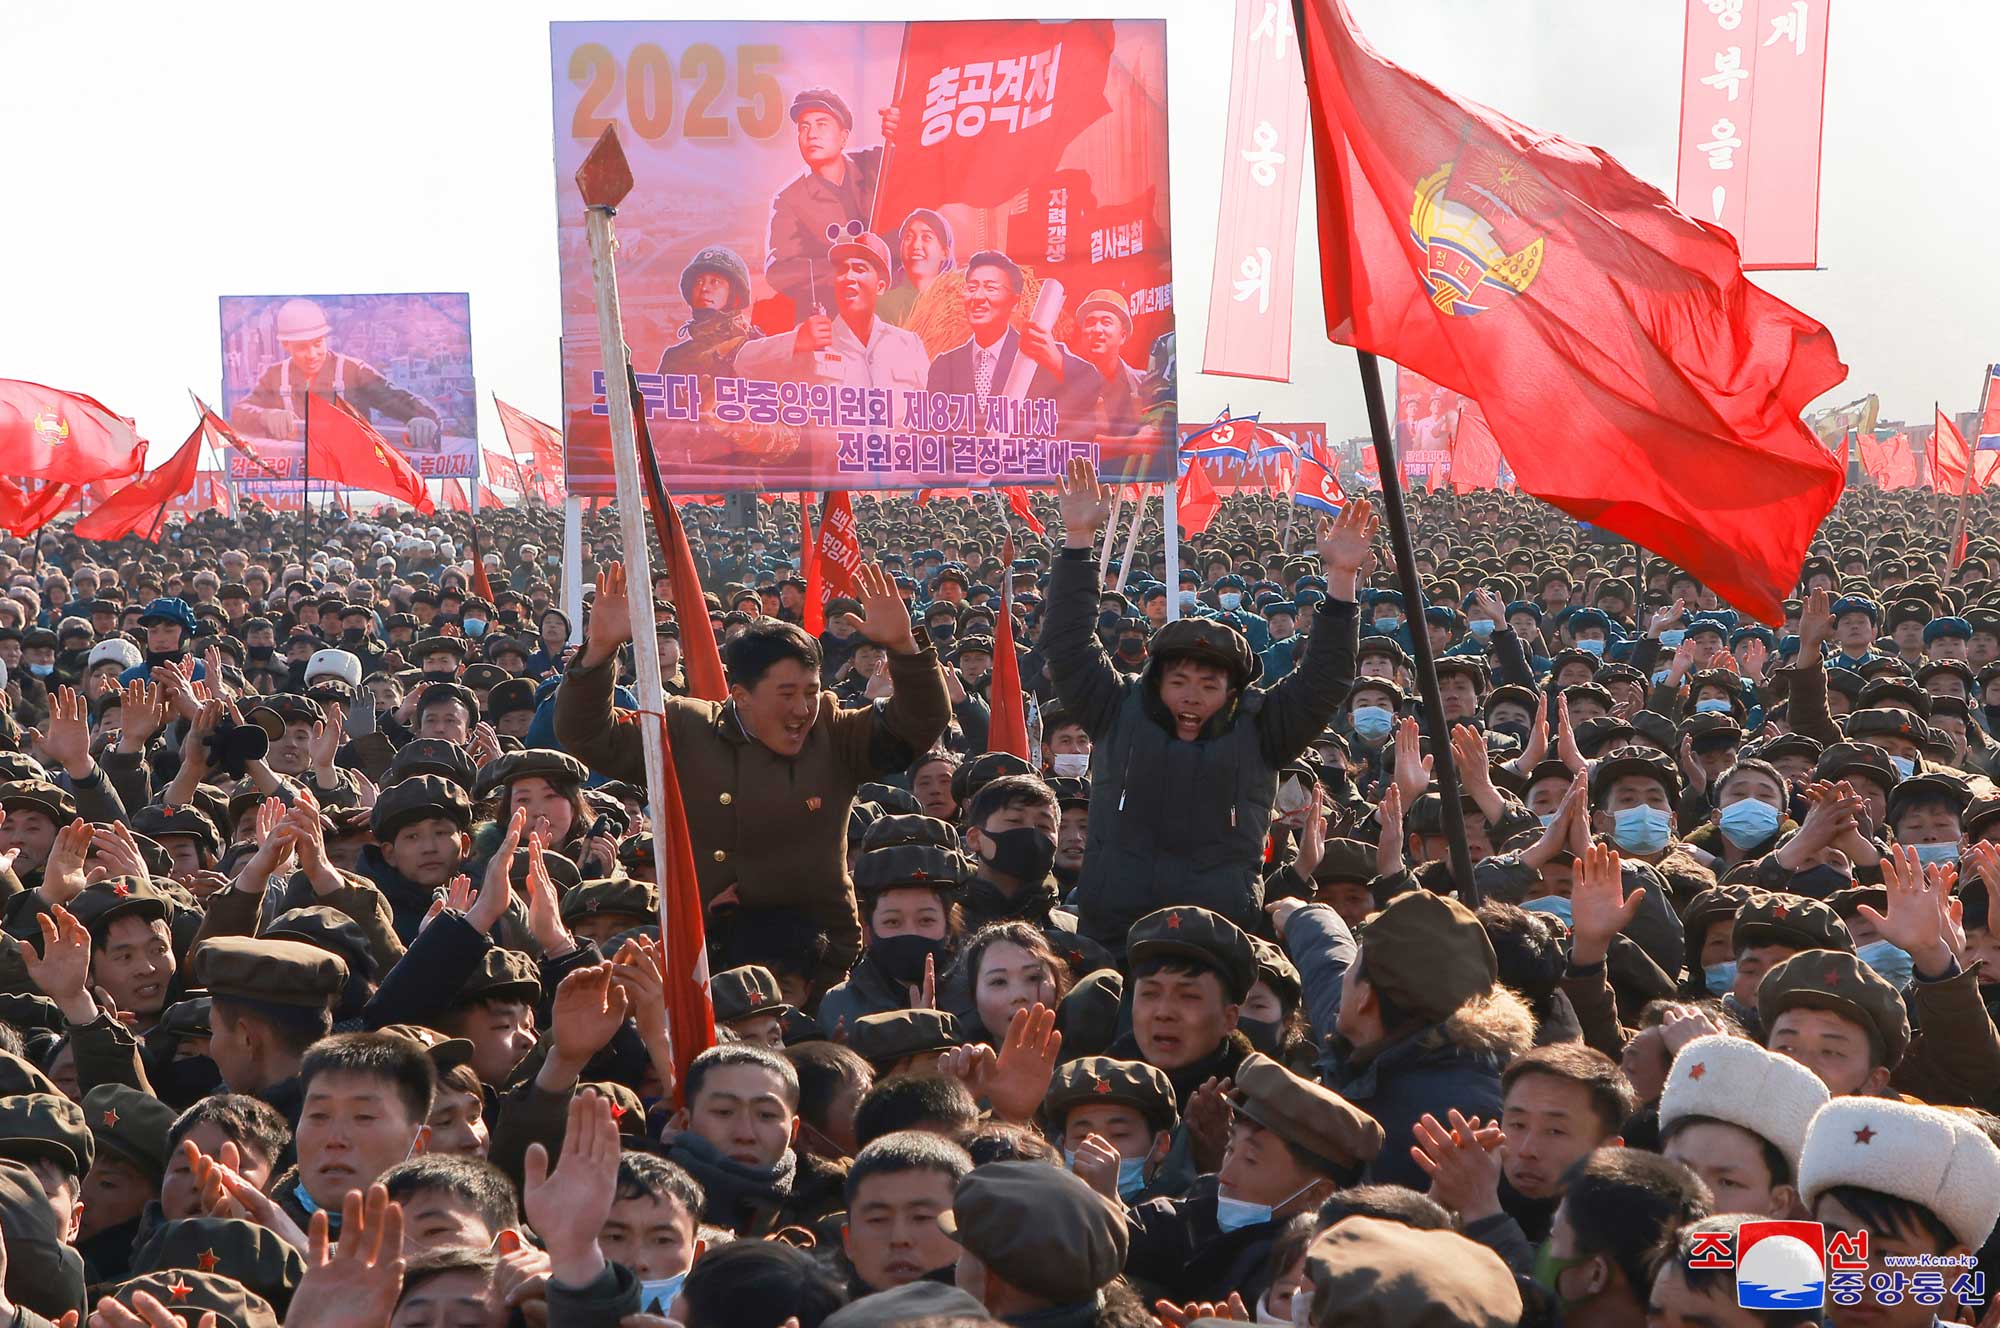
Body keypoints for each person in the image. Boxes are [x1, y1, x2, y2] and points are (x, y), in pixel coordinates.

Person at [556, 561, 948, 987]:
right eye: (786, 694)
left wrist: (905, 647)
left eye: (811, 692)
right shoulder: (687, 728)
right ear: (740, 695)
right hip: (707, 960)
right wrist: (600, 649)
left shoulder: (833, 733)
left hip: (815, 964)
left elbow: (918, 724)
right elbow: (587, 734)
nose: (802, 710)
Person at [1044, 458, 1372, 945]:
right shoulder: (1117, 710)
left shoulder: (1263, 729)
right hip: (1114, 932)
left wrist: (1341, 583)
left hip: (1220, 935)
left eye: (1209, 685)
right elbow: (1069, 646)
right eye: (1179, 681)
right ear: (1156, 681)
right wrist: (1077, 542)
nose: (1192, 696)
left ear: (1233, 692)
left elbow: (1324, 679)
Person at [925, 252, 1103, 437]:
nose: (978, 297)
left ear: (1015, 302)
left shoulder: (1035, 353)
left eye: (990, 288)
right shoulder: (944, 365)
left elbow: (1090, 385)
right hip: (964, 464)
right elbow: (926, 435)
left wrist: (1056, 361)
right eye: (971, 288)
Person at [228, 298, 442, 445]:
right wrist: (265, 415)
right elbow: (239, 412)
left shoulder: (352, 371)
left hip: (350, 465)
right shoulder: (275, 376)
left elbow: (395, 399)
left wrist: (422, 418)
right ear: (286, 345)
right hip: (300, 464)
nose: (312, 354)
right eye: (302, 346)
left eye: (317, 343)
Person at [764, 89, 886, 322]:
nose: (811, 135)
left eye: (822, 125)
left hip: (890, 311)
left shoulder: (875, 164)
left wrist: (903, 127)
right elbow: (778, 271)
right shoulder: (789, 199)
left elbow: (917, 162)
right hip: (830, 320)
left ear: (843, 137)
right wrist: (842, 270)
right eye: (804, 127)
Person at [876, 208, 954, 328]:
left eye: (927, 237)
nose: (916, 245)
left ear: (945, 252)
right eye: (908, 237)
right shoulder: (883, 304)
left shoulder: (958, 304)